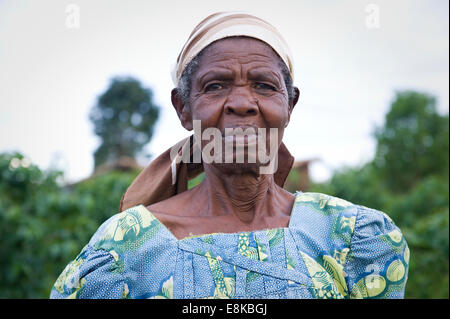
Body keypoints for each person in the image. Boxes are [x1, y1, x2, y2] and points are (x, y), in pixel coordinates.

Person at [50, 12, 409, 299]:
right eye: (216, 85)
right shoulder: (125, 248)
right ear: (183, 108)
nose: (240, 103)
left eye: (264, 86)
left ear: (290, 104)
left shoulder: (351, 238)